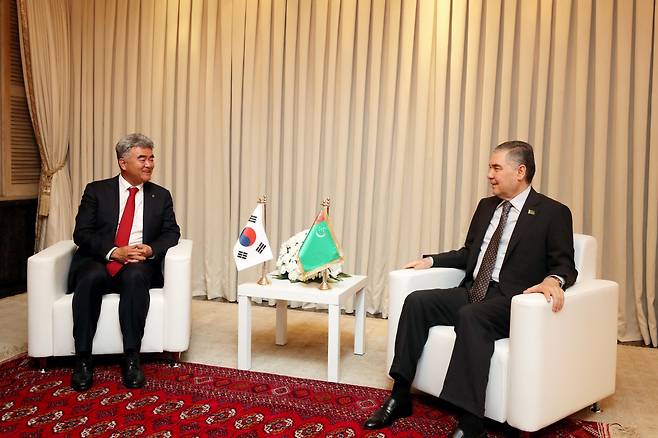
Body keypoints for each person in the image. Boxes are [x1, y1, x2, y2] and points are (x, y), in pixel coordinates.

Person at [364, 141, 577, 438]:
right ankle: (400, 395)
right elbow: (469, 253)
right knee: (417, 302)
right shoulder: (486, 206)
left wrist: (554, 280)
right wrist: (431, 260)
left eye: (496, 168)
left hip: (511, 300)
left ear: (520, 171)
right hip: (473, 290)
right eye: (489, 167)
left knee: (471, 316)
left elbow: (566, 265)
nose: (489, 174)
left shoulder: (552, 213)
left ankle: (471, 421)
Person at [68, 133, 180, 391]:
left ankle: (132, 358)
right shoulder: (96, 190)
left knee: (136, 276)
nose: (149, 164)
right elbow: (81, 233)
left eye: (152, 158)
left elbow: (172, 232)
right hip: (100, 259)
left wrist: (151, 249)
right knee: (90, 277)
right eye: (142, 158)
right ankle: (83, 359)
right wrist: (113, 252)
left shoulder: (160, 196)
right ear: (123, 162)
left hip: (138, 263)